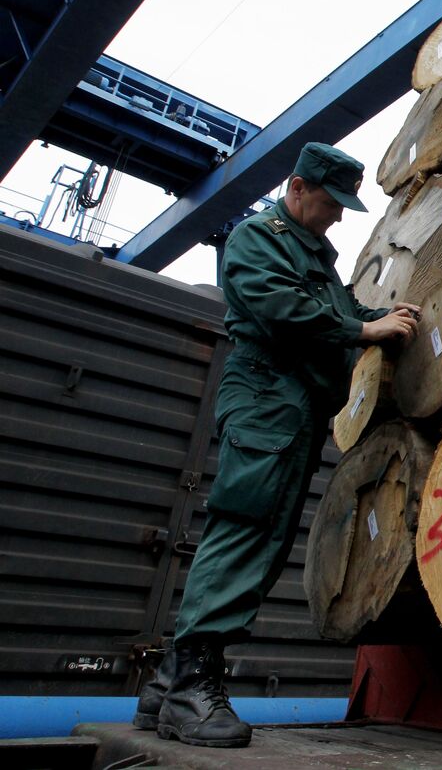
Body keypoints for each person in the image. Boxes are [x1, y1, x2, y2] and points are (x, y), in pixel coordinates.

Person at [132, 142, 420, 747]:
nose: (339, 215)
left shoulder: (313, 250)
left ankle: (166, 684)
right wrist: (364, 328)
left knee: (262, 539)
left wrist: (383, 317)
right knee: (244, 529)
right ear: (296, 188)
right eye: (330, 201)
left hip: (296, 407)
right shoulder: (258, 238)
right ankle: (192, 687)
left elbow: (335, 308)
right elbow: (279, 306)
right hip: (266, 395)